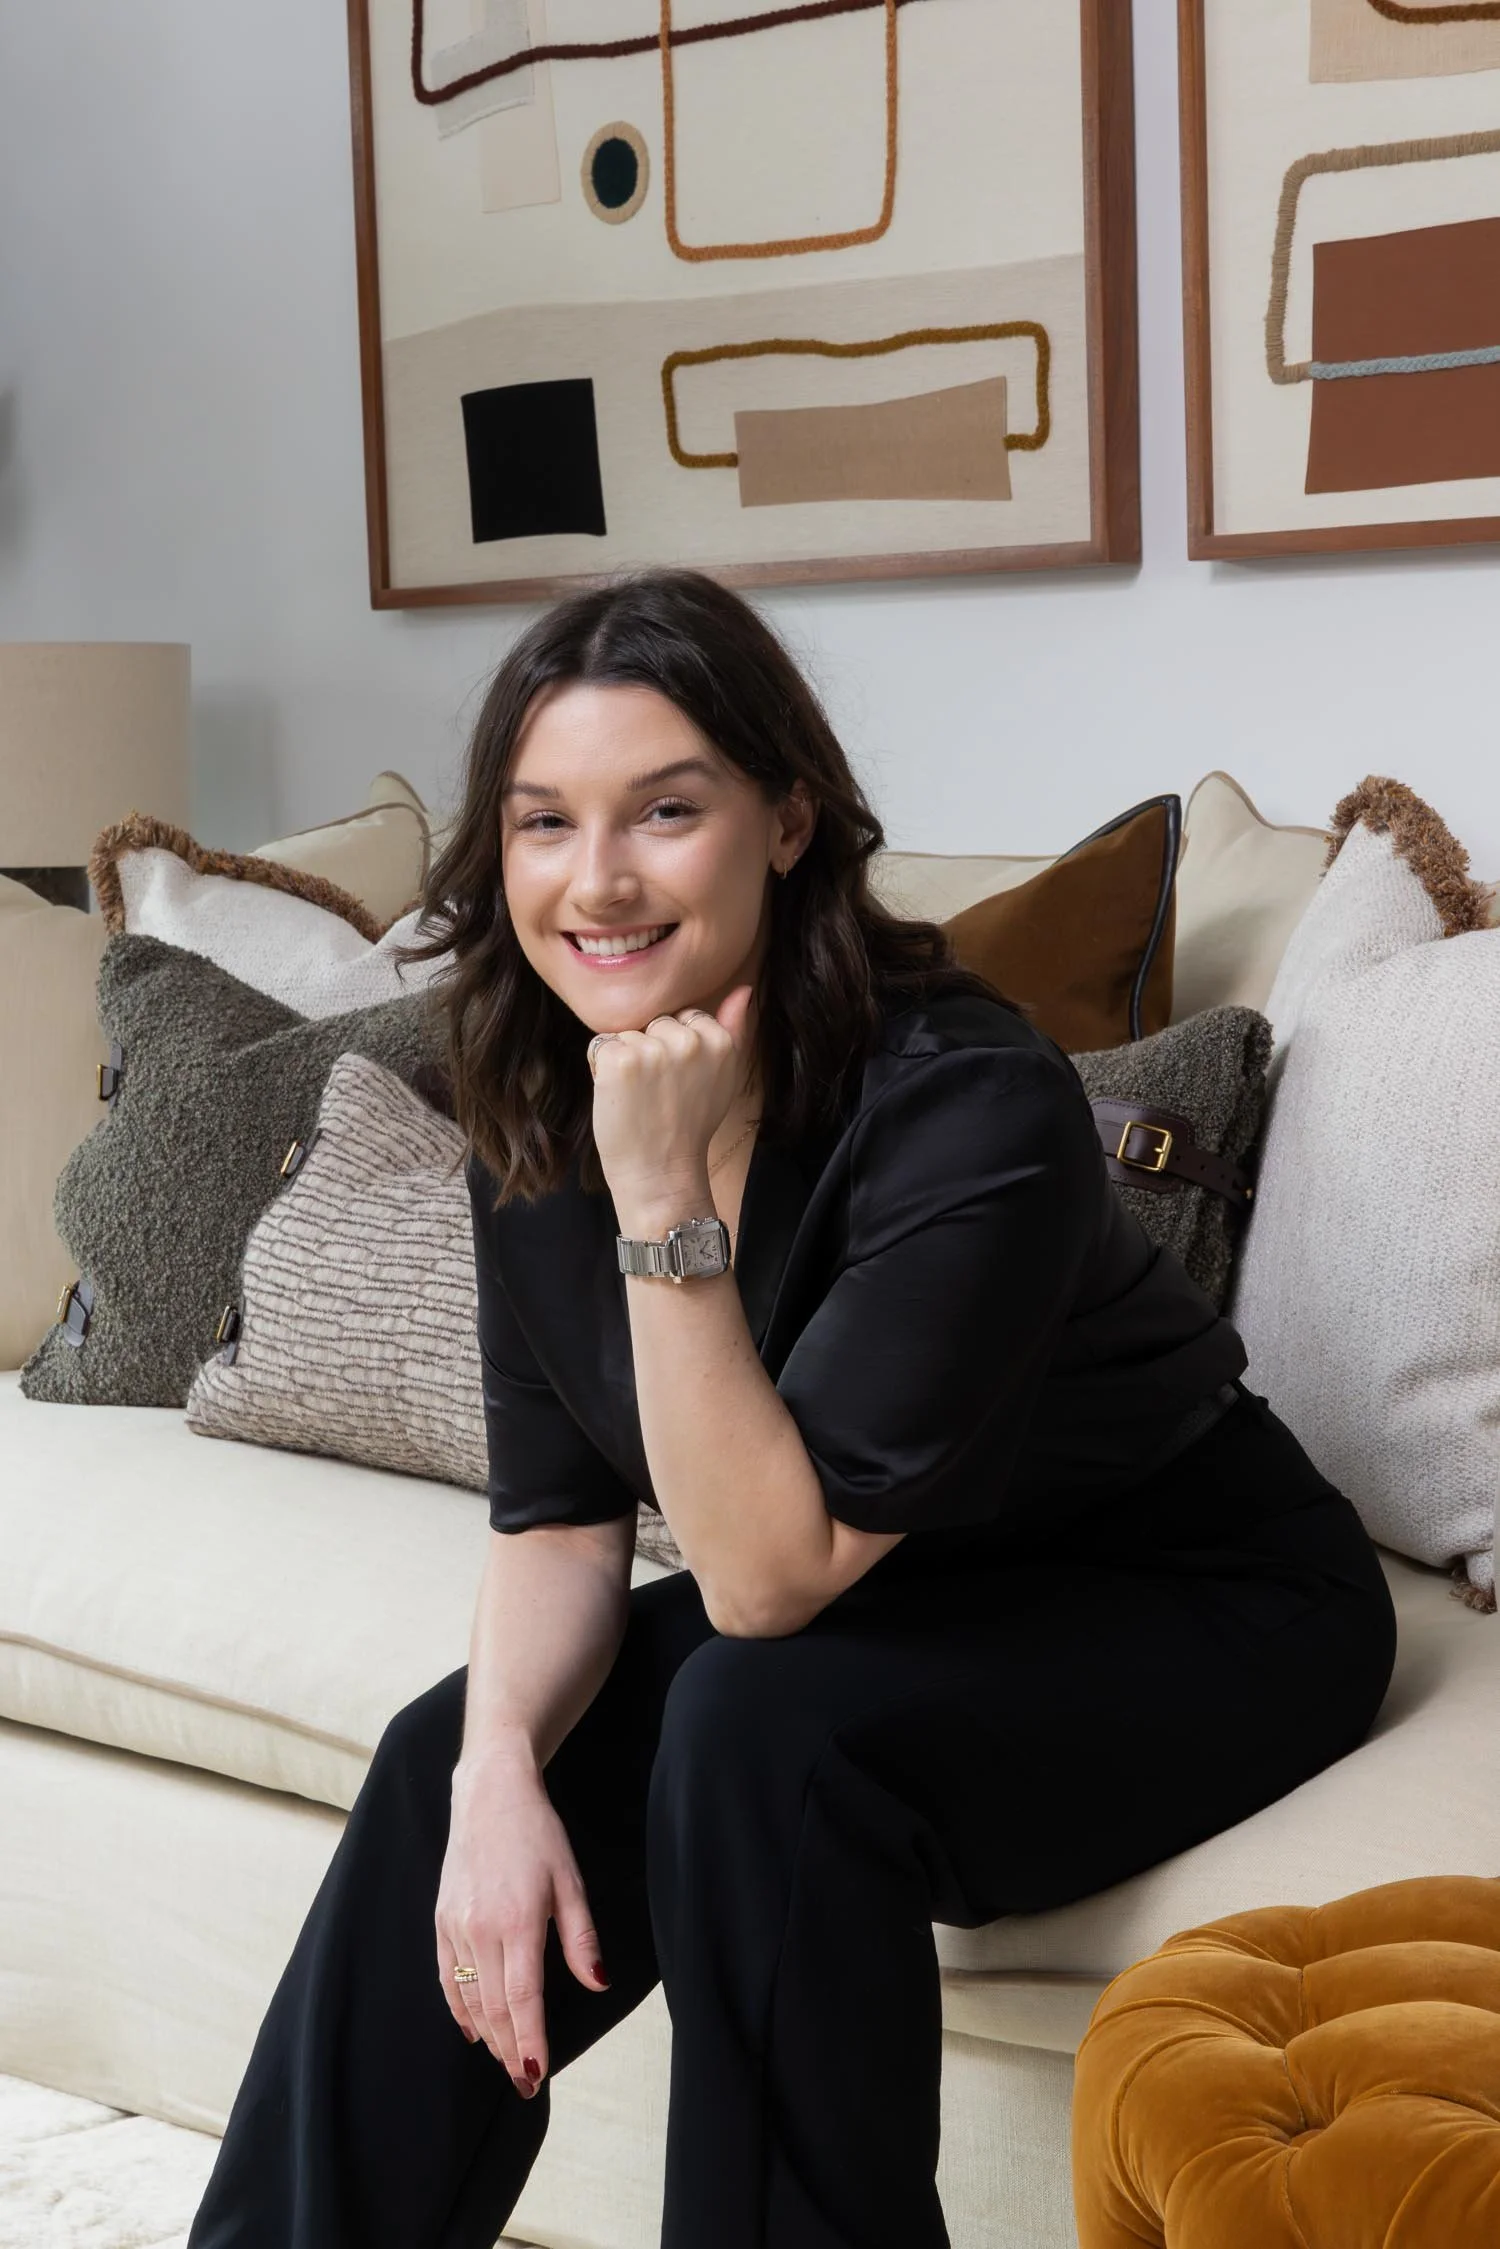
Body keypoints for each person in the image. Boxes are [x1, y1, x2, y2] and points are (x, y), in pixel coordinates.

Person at [187, 569, 1397, 2249]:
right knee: (450, 1757)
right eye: (543, 823)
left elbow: (762, 1591)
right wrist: (491, 1787)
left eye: (664, 811)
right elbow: (556, 1522)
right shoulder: (539, 1094)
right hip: (894, 1597)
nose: (595, 880)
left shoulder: (969, 1102)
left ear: (786, 820)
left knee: (762, 1735)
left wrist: (663, 1200)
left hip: (1192, 1599)